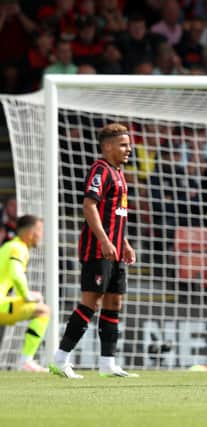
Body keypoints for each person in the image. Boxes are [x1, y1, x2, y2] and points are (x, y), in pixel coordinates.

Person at [49, 123, 137, 379]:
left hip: (116, 249)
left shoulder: (119, 173)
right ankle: (60, 359)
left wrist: (125, 242)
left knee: (114, 302)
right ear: (107, 146)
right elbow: (89, 206)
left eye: (129, 145)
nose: (128, 149)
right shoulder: (100, 169)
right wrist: (104, 240)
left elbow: (117, 215)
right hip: (98, 249)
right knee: (91, 302)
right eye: (123, 145)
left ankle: (107, 364)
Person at [0, 215, 49, 372]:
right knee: (43, 310)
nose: (41, 235)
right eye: (39, 230)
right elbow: (16, 273)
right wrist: (27, 295)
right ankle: (26, 361)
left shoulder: (8, 246)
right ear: (30, 232)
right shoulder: (18, 248)